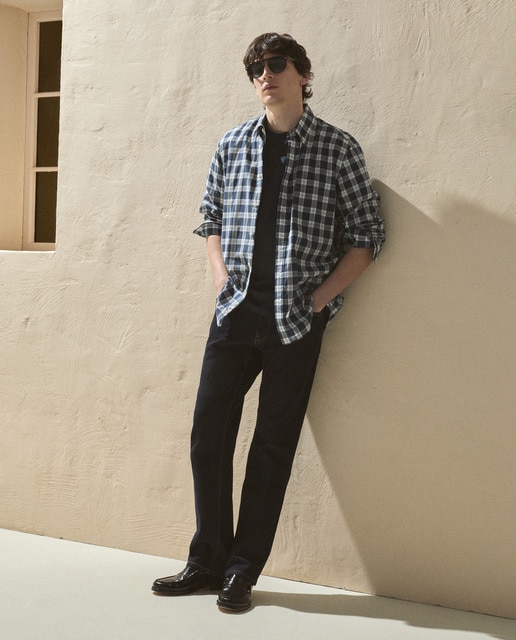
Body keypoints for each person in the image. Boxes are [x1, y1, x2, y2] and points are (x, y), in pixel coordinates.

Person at [152, 32, 385, 613]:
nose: (265, 74)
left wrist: (318, 301)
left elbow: (367, 237)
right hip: (235, 314)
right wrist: (220, 276)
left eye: (277, 64)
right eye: (256, 67)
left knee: (271, 448)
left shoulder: (337, 149)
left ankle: (240, 571)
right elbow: (210, 216)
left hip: (295, 322)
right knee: (209, 435)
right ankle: (207, 560)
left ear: (303, 74)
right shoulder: (233, 144)